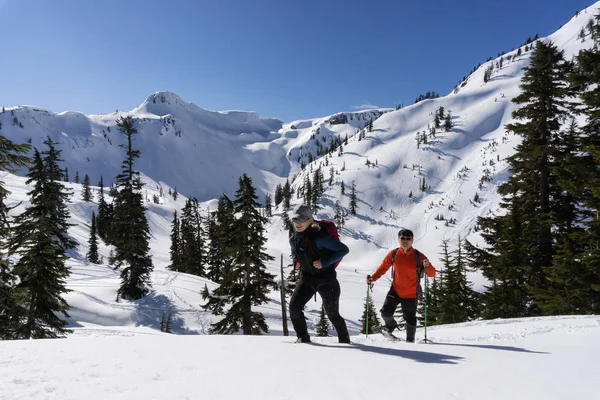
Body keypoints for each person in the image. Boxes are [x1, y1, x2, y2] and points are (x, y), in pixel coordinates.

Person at [288, 204, 351, 343]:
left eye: (301, 220)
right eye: (295, 220)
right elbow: (294, 253)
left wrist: (325, 262)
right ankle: (303, 339)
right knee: (294, 309)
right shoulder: (293, 240)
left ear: (310, 221)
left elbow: (343, 250)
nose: (297, 223)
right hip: (307, 279)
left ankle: (345, 341)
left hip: (327, 280)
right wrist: (296, 261)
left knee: (333, 315)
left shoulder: (319, 238)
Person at [366, 229, 436, 342]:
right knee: (385, 312)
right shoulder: (393, 254)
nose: (405, 241)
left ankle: (410, 341)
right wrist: (373, 278)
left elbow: (432, 274)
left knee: (410, 319)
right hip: (395, 290)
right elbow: (383, 267)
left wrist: (428, 266)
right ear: (398, 239)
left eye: (408, 238)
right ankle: (391, 326)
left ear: (412, 240)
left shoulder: (419, 256)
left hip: (411, 293)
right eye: (402, 238)